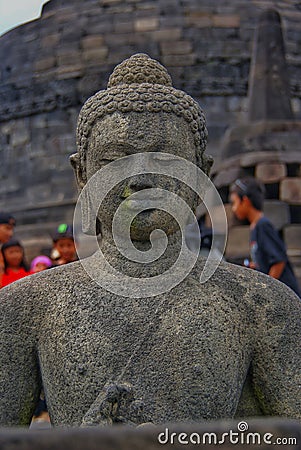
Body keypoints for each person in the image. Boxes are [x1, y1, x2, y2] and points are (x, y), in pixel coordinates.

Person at [0, 54, 300, 427]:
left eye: (166, 159)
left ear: (201, 175)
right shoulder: (24, 309)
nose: (141, 178)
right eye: (116, 160)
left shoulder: (265, 307)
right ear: (82, 176)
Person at [230, 177, 300, 297]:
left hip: (287, 296)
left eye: (234, 203)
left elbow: (279, 261)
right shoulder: (255, 227)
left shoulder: (263, 225)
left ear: (245, 201)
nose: (233, 208)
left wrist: (266, 291)